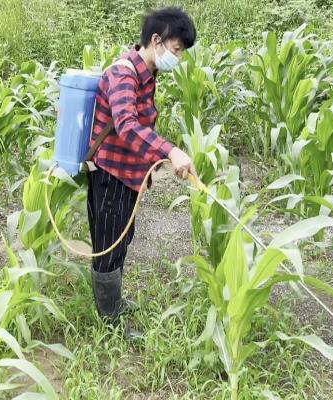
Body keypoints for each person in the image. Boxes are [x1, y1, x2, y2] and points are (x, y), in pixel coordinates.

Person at [86, 7, 197, 337]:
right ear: (156, 40)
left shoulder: (147, 73)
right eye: (176, 50)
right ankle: (109, 320)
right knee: (108, 244)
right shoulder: (124, 74)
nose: (177, 58)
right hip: (110, 174)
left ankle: (114, 301)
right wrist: (171, 151)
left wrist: (157, 162)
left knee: (123, 238)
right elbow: (127, 125)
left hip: (129, 173)